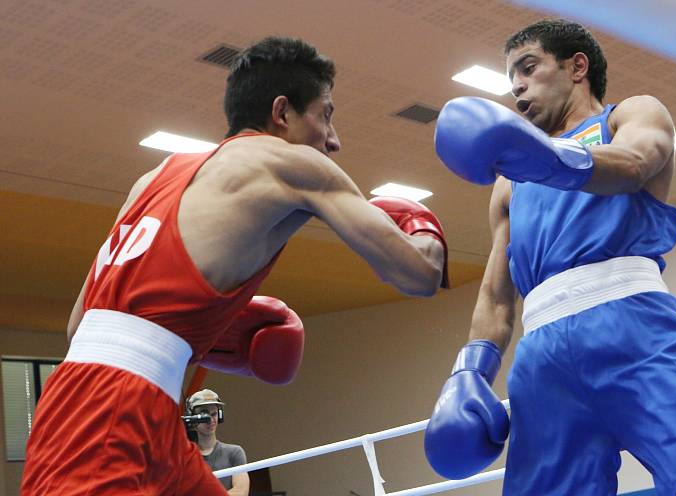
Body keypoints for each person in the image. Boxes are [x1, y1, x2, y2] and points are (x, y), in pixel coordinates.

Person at [21, 36, 447, 495]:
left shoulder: (156, 175)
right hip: (109, 415)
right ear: (282, 113)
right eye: (326, 115)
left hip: (112, 403)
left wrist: (204, 329)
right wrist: (423, 228)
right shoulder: (294, 163)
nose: (334, 141)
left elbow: (78, 326)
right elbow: (418, 274)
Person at [424, 18, 676, 496]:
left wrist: (548, 158)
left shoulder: (629, 115)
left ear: (577, 66)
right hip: (542, 358)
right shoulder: (509, 181)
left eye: (528, 66)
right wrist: (470, 371)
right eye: (510, 74)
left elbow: (636, 163)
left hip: (635, 328)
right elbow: (496, 296)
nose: (516, 84)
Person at [186, 389, 249, 496]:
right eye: (204, 415)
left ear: (220, 416)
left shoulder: (234, 452)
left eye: (214, 414)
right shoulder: (185, 457)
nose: (210, 420)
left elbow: (241, 492)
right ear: (192, 418)